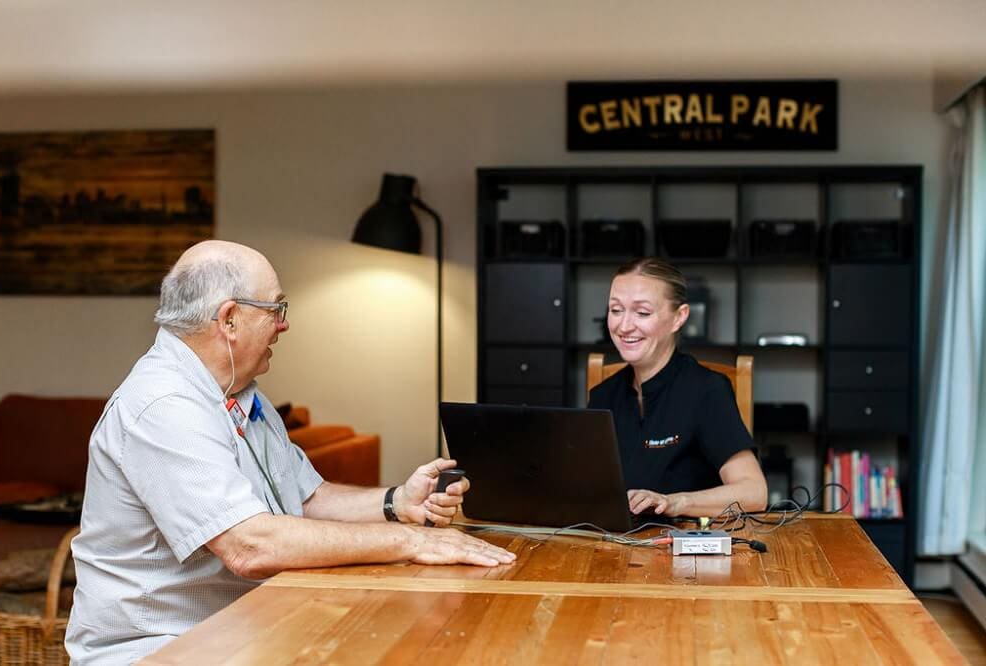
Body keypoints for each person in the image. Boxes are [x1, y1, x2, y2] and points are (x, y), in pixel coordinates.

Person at [66, 240, 515, 664]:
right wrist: (412, 542)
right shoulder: (164, 406)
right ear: (229, 320)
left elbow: (303, 499)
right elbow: (249, 545)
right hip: (162, 648)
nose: (283, 324)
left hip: (244, 628)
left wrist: (397, 504)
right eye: (275, 309)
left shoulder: (240, 395)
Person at [587, 257, 767, 518]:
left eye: (642, 312)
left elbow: (754, 493)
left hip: (685, 552)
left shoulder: (706, 390)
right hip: (612, 550)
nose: (624, 326)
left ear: (678, 318)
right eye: (615, 310)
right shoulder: (603, 395)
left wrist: (675, 503)